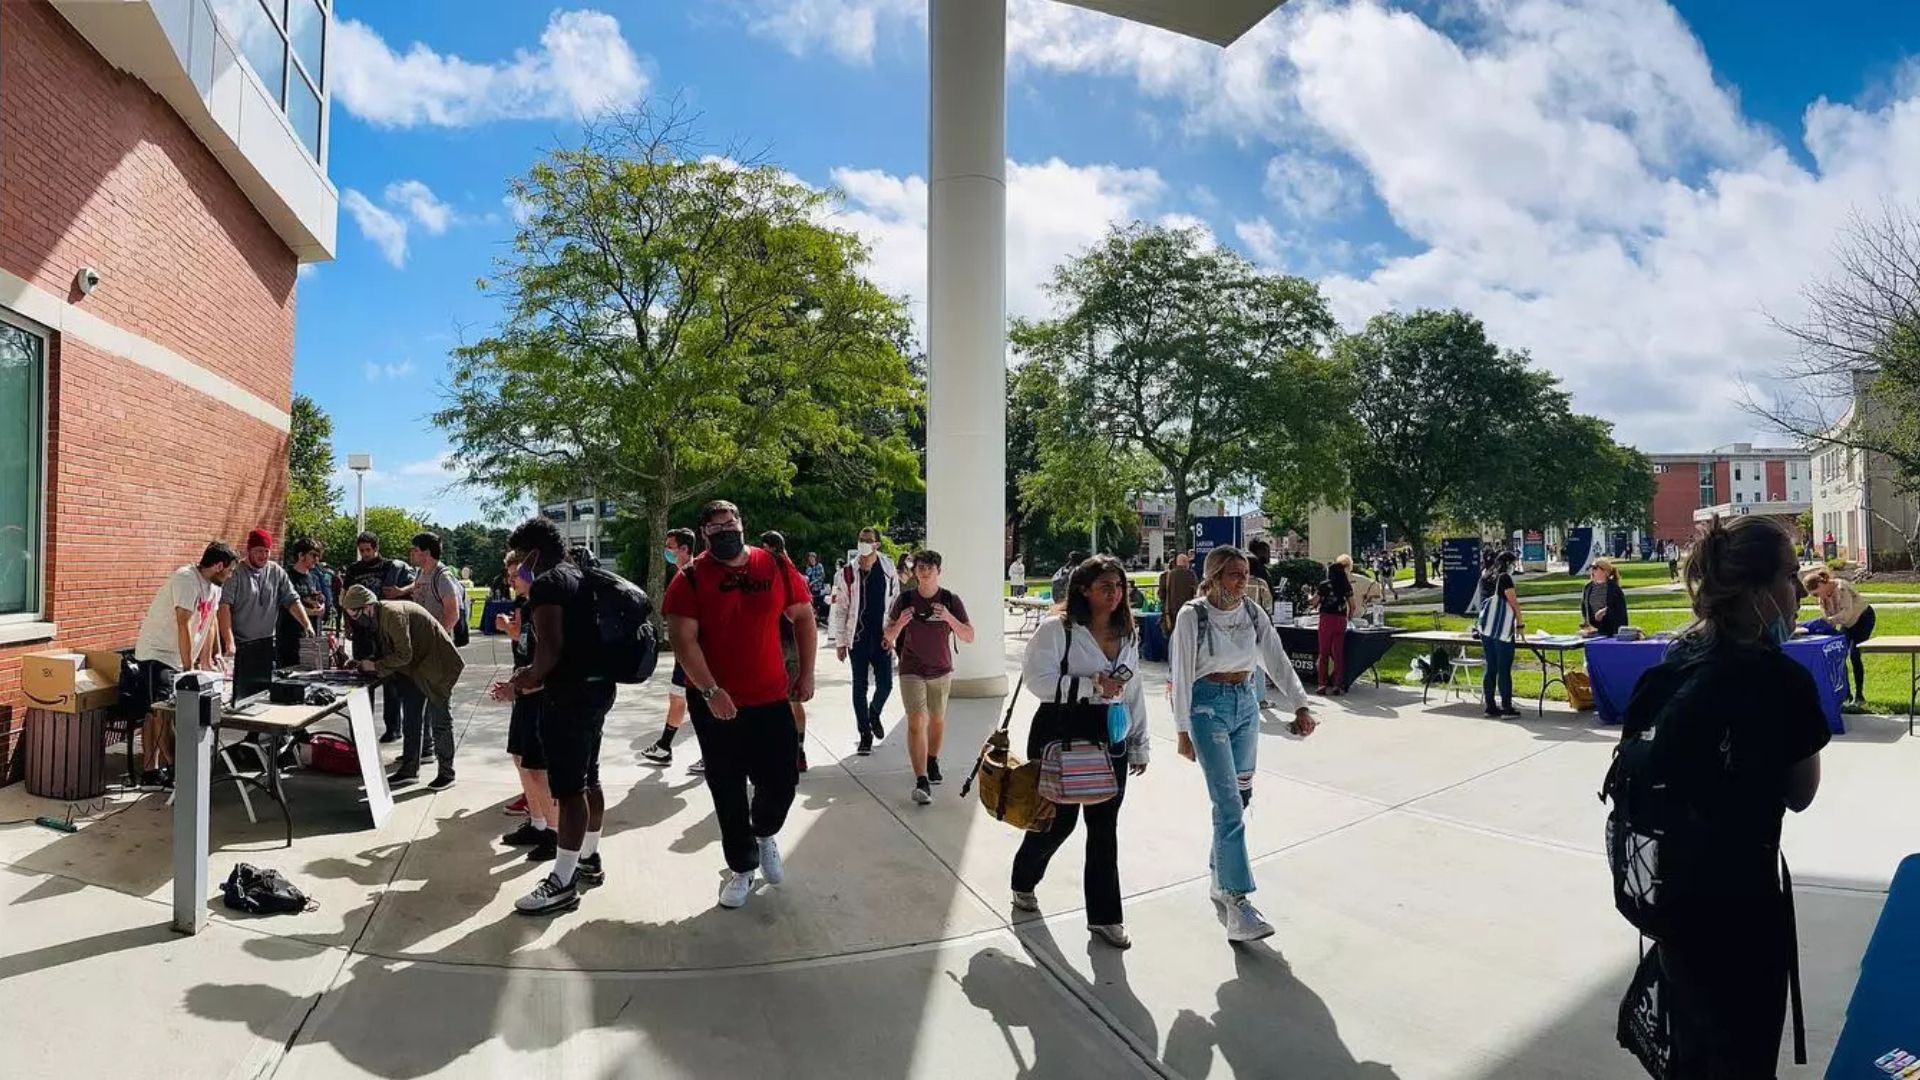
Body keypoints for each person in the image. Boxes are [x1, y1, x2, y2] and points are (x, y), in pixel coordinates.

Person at [1615, 516, 1825, 1075]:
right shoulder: (1782, 681)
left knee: (1693, 1053)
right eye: (1789, 574)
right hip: (1744, 911)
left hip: (1675, 905)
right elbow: (1802, 793)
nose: (1799, 590)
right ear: (1755, 591)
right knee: (1745, 1055)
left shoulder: (1675, 663)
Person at [664, 500, 817, 910]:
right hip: (717, 705)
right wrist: (711, 690)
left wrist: (806, 672)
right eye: (717, 526)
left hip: (771, 697)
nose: (727, 530)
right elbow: (682, 639)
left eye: (732, 522)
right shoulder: (691, 578)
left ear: (743, 524)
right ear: (705, 534)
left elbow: (803, 615)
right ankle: (742, 866)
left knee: (783, 780)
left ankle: (765, 831)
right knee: (727, 788)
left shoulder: (776, 565)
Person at [1170, 546, 1319, 942]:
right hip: (1207, 709)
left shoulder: (1254, 613)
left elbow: (1275, 658)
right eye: (1235, 574)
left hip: (1246, 704)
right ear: (1214, 576)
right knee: (1229, 804)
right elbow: (1181, 673)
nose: (1243, 581)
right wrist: (1182, 730)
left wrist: (1300, 704)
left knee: (1242, 796)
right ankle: (1239, 903)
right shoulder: (1193, 615)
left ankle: (1220, 876)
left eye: (1246, 573)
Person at [1009, 555, 1149, 950]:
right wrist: (1091, 686)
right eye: (1106, 586)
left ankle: (1105, 917)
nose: (1116, 594)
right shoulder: (1058, 630)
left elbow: (1133, 689)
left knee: (1104, 827)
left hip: (1111, 733)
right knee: (1058, 821)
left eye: (1119, 586)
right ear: (1084, 590)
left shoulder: (1127, 634)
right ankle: (1023, 879)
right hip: (1061, 731)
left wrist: (1139, 742)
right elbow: (1037, 680)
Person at [506, 517, 619, 915]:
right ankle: (588, 857)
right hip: (598, 688)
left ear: (533, 552)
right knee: (590, 778)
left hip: (568, 696)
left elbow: (549, 649)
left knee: (569, 790)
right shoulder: (581, 575)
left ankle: (563, 880)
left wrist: (526, 678)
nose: (519, 565)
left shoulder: (548, 583)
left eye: (520, 557)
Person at [131, 543, 237, 784]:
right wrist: (188, 668)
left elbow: (209, 622)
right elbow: (183, 623)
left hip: (180, 656)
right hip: (158, 653)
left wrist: (207, 660)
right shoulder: (186, 579)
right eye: (229, 570)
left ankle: (169, 768)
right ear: (218, 566)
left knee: (168, 713)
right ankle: (165, 769)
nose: (230, 575)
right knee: (160, 712)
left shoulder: (215, 587)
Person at [340, 584, 463, 791]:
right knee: (412, 720)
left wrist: (376, 666)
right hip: (413, 669)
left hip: (437, 666)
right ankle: (409, 770)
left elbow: (403, 654)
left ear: (368, 606)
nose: (354, 619)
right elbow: (390, 652)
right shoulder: (377, 618)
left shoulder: (393, 615)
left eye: (355, 614)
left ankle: (447, 774)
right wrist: (363, 663)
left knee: (440, 721)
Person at [883, 550, 974, 804]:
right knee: (916, 720)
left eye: (929, 567)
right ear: (914, 572)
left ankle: (932, 758)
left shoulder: (950, 600)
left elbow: (969, 635)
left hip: (941, 670)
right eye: (920, 567)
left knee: (936, 719)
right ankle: (921, 778)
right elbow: (888, 636)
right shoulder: (904, 600)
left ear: (938, 571)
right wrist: (900, 623)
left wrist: (948, 617)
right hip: (911, 668)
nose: (924, 571)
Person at [492, 550, 557, 858]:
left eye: (516, 574)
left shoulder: (547, 608)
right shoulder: (526, 606)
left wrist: (522, 688)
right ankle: (538, 822)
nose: (512, 579)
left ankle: (555, 834)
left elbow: (553, 660)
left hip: (541, 697)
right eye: (510, 574)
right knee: (521, 759)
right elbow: (526, 649)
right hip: (525, 691)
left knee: (539, 768)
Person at [830, 526, 899, 756]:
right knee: (859, 687)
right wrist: (841, 642)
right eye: (861, 539)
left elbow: (895, 605)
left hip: (882, 637)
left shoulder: (888, 569)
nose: (864, 543)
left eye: (868, 540)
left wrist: (893, 635)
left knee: (886, 685)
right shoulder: (848, 572)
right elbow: (841, 608)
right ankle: (864, 734)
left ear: (877, 544)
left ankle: (874, 713)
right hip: (857, 638)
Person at [344, 533, 416, 743]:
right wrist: (348, 624)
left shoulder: (392, 567)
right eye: (362, 550)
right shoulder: (354, 570)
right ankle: (362, 728)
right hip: (361, 631)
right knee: (362, 677)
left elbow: (416, 583)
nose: (365, 554)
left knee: (390, 679)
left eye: (368, 550)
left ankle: (393, 727)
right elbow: (346, 599)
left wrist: (399, 591)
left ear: (376, 548)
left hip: (385, 628)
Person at [641, 528, 701, 770]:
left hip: (694, 651)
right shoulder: (683, 574)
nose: (667, 550)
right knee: (677, 697)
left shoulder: (693, 575)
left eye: (670, 546)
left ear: (685, 549)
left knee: (700, 703)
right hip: (685, 652)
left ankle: (713, 754)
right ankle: (664, 746)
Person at [218, 528, 313, 681]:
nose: (263, 556)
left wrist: (306, 624)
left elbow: (291, 599)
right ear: (249, 550)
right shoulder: (235, 573)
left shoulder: (276, 571)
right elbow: (224, 607)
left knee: (264, 690)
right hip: (240, 645)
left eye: (266, 551)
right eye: (259, 551)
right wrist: (229, 643)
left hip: (267, 645)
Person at [761, 531, 812, 772]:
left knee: (772, 703)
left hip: (776, 643)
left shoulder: (766, 573)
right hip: (796, 644)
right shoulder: (797, 575)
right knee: (794, 701)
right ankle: (799, 750)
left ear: (767, 548)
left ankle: (776, 752)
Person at [1800, 567, 1877, 711]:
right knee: (1840, 655)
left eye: (1816, 593)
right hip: (1846, 623)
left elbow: (1846, 614)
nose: (1817, 597)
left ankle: (1859, 696)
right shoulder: (1822, 599)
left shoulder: (1841, 588)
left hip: (1863, 618)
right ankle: (1846, 695)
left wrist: (1828, 621)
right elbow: (1828, 619)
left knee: (1854, 654)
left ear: (1821, 584)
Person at [1475, 551, 1524, 718]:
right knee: (1504, 668)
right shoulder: (1505, 578)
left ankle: (1490, 706)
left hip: (1486, 627)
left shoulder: (1486, 575)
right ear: (1509, 563)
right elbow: (1513, 602)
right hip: (1502, 628)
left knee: (1491, 667)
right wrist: (1520, 623)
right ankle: (1506, 707)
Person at [281, 537, 330, 666]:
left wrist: (321, 605)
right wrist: (311, 612)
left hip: (310, 636)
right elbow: (285, 606)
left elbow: (317, 598)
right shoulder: (286, 576)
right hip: (290, 636)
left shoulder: (313, 577)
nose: (316, 559)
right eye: (313, 555)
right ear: (301, 555)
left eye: (318, 556)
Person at [1315, 555, 1355, 695]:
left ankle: (1321, 684)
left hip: (1326, 619)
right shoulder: (1346, 586)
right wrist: (1348, 617)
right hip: (1340, 620)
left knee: (1324, 652)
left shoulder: (1324, 585)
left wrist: (1309, 598)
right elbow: (1353, 606)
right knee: (1338, 653)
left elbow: (1315, 602)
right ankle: (1337, 684)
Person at [1581, 557, 1629, 638]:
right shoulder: (1588, 587)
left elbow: (1621, 614)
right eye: (1592, 568)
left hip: (1611, 632)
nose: (1593, 571)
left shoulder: (1614, 589)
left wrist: (1604, 613)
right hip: (1593, 632)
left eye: (1595, 568)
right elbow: (1584, 608)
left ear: (1605, 572)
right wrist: (1587, 625)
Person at [1156, 551, 1197, 629]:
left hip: (1170, 616)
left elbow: (1161, 595)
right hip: (1187, 615)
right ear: (1186, 563)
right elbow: (1195, 594)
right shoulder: (1191, 575)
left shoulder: (1165, 576)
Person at [803, 551, 829, 625]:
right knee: (812, 603)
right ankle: (815, 618)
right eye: (809, 558)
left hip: (818, 588)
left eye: (812, 558)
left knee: (819, 602)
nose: (811, 560)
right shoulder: (808, 567)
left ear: (815, 558)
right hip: (810, 588)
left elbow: (821, 577)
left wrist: (813, 582)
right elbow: (807, 576)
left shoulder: (819, 566)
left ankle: (822, 616)